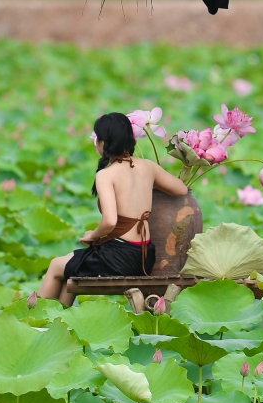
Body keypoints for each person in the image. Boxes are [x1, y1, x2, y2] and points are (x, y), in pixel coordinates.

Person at [38, 112, 188, 306]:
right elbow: (181, 188)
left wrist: (93, 235)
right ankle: (56, 322)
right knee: (70, 270)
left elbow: (110, 221)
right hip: (144, 256)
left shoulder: (106, 175)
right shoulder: (148, 167)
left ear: (104, 143)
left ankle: (35, 320)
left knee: (55, 265)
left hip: (119, 257)